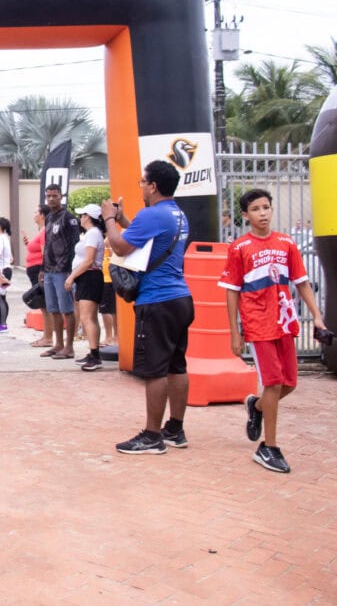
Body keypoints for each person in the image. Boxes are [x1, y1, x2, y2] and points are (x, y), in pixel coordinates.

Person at [218, 189, 327, 473]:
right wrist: (235, 332)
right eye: (256, 209)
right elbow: (231, 292)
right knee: (274, 382)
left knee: (290, 382)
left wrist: (317, 316)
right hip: (258, 323)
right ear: (246, 215)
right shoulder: (239, 247)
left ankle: (256, 407)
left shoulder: (287, 243)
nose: (263, 213)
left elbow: (302, 282)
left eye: (266, 207)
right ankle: (269, 447)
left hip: (285, 322)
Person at [101, 160, 193, 455]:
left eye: (143, 181)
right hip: (181, 299)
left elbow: (120, 246)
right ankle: (175, 429)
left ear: (153, 186)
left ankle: (152, 436)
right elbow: (146, 237)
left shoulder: (152, 214)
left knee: (155, 370)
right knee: (177, 365)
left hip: (157, 300)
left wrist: (108, 220)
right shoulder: (177, 214)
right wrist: (124, 219)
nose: (140, 185)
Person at [64, 205, 106, 371]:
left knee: (87, 317)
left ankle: (95, 355)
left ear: (88, 217)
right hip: (87, 277)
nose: (80, 218)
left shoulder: (93, 234)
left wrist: (72, 276)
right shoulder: (91, 234)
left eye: (82, 215)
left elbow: (88, 260)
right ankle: (93, 352)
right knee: (90, 317)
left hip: (90, 276)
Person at [41, 184, 80, 359]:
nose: (51, 199)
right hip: (49, 270)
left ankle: (69, 347)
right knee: (53, 309)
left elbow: (75, 245)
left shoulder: (69, 218)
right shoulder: (48, 217)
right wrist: (43, 268)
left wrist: (71, 272)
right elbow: (47, 243)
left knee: (67, 309)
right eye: (48, 196)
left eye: (54, 196)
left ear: (61, 196)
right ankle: (58, 344)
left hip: (63, 270)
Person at [23, 204, 54, 345]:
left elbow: (45, 253)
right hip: (34, 270)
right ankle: (46, 336)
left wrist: (43, 271)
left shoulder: (45, 231)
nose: (34, 214)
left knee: (45, 304)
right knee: (43, 305)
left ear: (42, 215)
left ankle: (48, 338)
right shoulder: (41, 230)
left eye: (36, 211)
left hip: (39, 271)